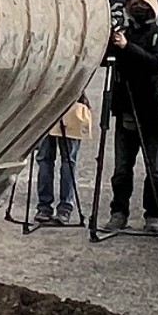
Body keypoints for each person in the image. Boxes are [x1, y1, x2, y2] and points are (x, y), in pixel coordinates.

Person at [104, 0, 158, 234]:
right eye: (133, 3)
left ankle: (153, 214)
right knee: (122, 168)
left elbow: (157, 63)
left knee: (155, 170)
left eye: (142, 4)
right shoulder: (121, 35)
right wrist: (109, 36)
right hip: (125, 110)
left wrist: (127, 47)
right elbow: (105, 59)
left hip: (153, 113)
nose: (137, 8)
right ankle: (118, 212)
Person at [36, 93, 92, 224]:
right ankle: (61, 209)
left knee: (49, 160)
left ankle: (48, 208)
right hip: (64, 101)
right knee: (65, 161)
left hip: (51, 102)